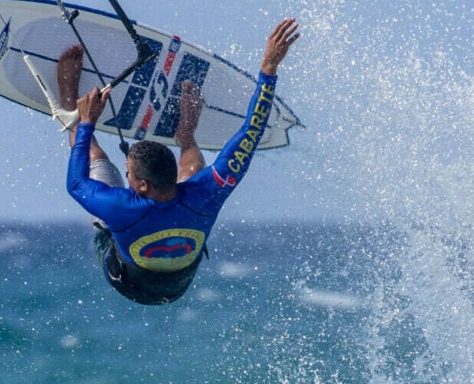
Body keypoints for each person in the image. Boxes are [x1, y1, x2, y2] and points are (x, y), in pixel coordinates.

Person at [61, 18, 300, 305]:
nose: (126, 176)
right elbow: (251, 131)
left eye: (129, 174)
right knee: (196, 172)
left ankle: (72, 111)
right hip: (179, 279)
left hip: (128, 280)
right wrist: (269, 68)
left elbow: (76, 184)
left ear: (143, 185)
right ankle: (185, 134)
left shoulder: (120, 207)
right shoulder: (209, 191)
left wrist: (89, 123)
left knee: (98, 162)